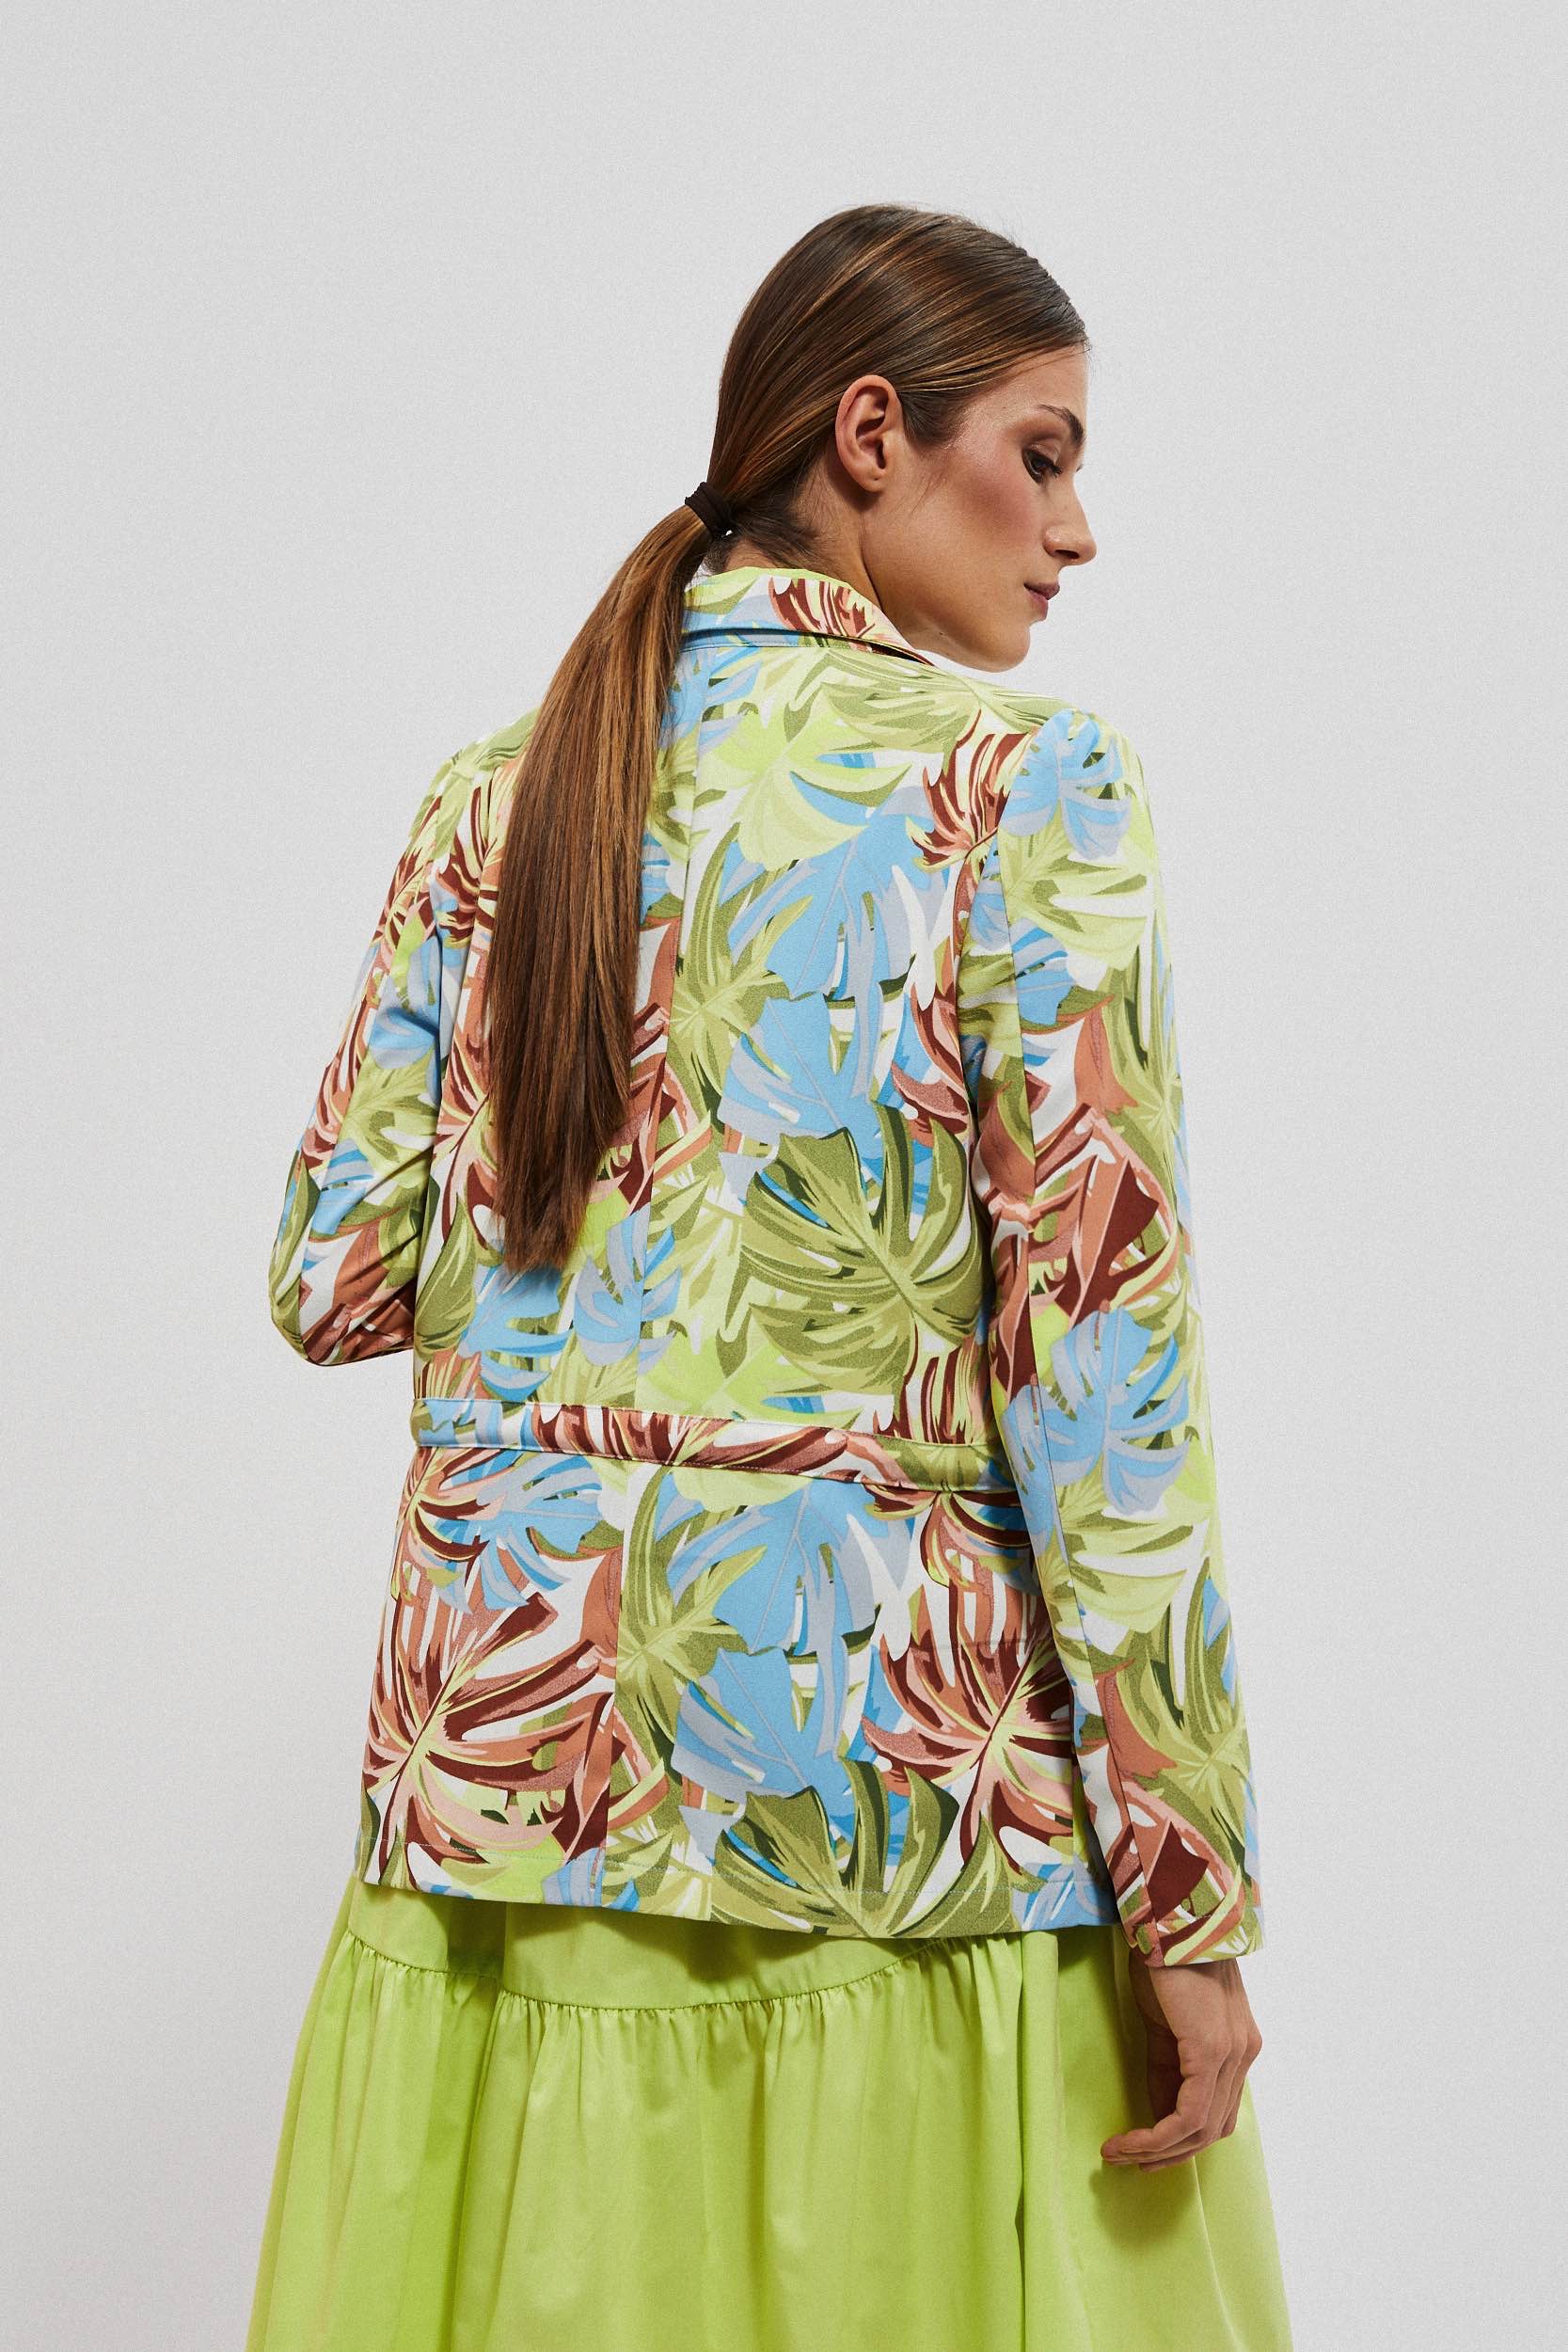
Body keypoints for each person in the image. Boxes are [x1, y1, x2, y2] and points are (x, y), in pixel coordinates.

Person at [245, 201, 1293, 2352]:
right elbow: (1105, 1376)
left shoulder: (498, 797)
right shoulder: (1025, 783)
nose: (1077, 528)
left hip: (509, 1817)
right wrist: (1190, 1887)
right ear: (873, 432)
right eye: (1046, 451)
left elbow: (332, 1276)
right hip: (901, 1820)